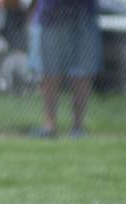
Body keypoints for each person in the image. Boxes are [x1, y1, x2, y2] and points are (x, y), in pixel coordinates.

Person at [28, 0, 102, 137]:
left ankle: (78, 127)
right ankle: (49, 125)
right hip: (50, 15)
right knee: (49, 70)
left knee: (82, 71)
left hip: (83, 14)